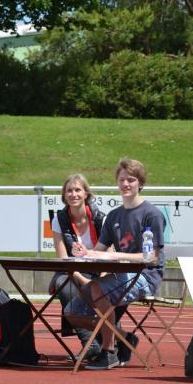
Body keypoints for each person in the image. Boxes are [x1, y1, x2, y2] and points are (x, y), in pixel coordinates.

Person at [66, 157, 166, 371]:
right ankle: (125, 338)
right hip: (120, 276)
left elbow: (151, 258)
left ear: (140, 183)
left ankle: (108, 352)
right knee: (73, 312)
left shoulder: (152, 214)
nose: (125, 184)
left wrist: (114, 256)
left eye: (131, 180)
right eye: (122, 180)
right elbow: (99, 250)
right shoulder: (113, 216)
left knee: (97, 289)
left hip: (145, 276)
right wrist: (84, 253)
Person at [49, 173, 105, 358]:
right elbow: (63, 259)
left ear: (86, 193)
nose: (73, 194)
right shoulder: (59, 219)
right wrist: (82, 279)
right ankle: (90, 343)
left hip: (98, 269)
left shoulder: (100, 218)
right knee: (63, 284)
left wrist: (101, 277)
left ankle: (117, 338)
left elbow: (109, 254)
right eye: (69, 191)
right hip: (70, 271)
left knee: (106, 287)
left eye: (78, 190)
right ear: (64, 195)